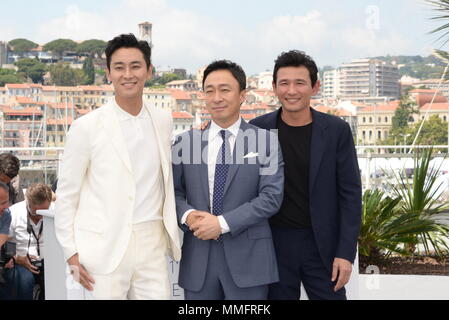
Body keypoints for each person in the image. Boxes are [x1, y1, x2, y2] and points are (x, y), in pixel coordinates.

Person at [55, 33, 181, 300]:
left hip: (153, 243)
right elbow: (67, 194)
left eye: (135, 66)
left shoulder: (163, 120)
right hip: (103, 248)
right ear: (109, 73)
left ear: (149, 71)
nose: (128, 74)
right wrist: (71, 252)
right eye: (119, 67)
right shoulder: (86, 127)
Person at [249, 50, 362, 300]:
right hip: (273, 244)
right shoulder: (258, 129)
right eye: (284, 83)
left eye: (300, 83)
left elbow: (351, 196)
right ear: (274, 87)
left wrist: (345, 253)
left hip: (323, 246)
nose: (292, 91)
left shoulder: (336, 131)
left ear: (315, 86)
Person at [172, 60, 284, 300]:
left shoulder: (266, 142)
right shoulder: (185, 143)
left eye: (225, 89)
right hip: (198, 261)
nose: (216, 97)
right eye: (209, 90)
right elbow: (173, 193)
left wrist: (221, 224)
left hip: (250, 262)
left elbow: (271, 197)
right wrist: (188, 216)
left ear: (242, 95)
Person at [0, 183, 52, 300]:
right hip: (20, 262)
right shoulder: (13, 213)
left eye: (44, 213)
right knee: (23, 280)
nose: (40, 217)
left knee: (56, 278)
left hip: (48, 262)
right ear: (28, 203)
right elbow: (4, 245)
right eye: (37, 213)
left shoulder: (54, 212)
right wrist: (17, 258)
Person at [0, 182, 11, 248]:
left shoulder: (6, 215)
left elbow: (2, 238)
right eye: (3, 203)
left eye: (7, 202)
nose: (6, 206)